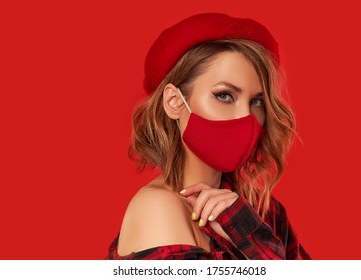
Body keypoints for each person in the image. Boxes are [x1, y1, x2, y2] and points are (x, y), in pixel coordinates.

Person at [106, 13, 311, 260]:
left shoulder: (261, 210)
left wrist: (245, 226)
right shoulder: (157, 209)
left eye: (256, 101)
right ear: (174, 102)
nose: (245, 116)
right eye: (224, 95)